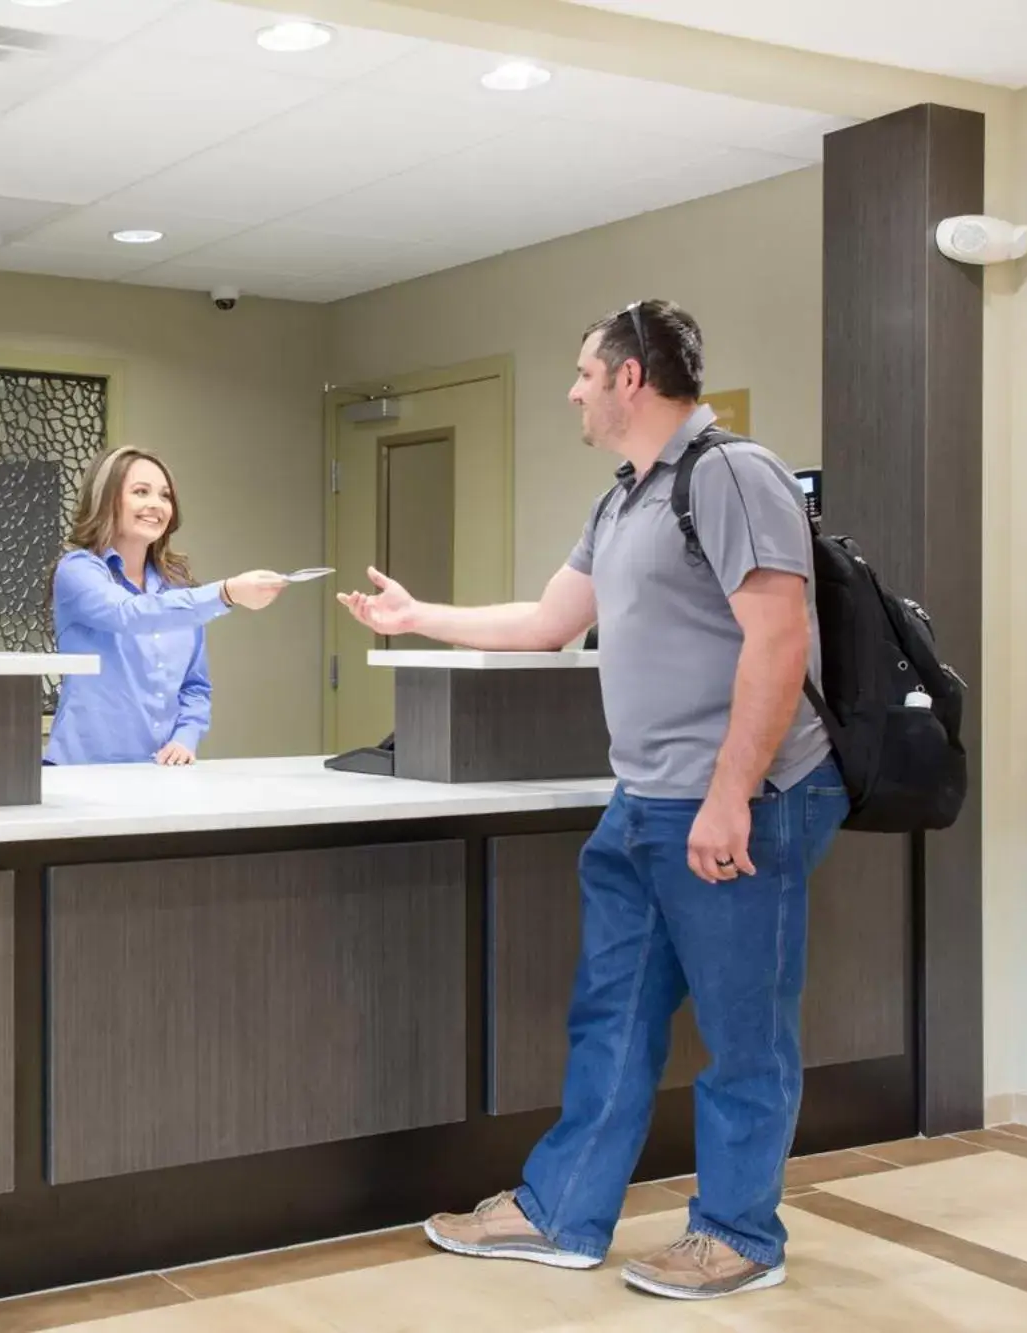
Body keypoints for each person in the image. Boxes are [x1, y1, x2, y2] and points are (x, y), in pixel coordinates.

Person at [340, 299, 845, 1301]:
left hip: (740, 802)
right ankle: (563, 1211)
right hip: (641, 804)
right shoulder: (622, 499)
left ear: (629, 377)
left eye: (581, 372)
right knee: (608, 1015)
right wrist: (413, 616)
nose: (570, 389)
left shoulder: (730, 475)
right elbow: (543, 620)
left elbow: (777, 640)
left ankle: (738, 1234)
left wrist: (728, 796)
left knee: (745, 1032)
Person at [45, 446, 287, 766]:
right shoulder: (78, 570)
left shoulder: (177, 588)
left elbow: (195, 686)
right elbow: (130, 614)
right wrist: (226, 593)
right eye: (140, 492)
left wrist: (185, 738)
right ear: (106, 500)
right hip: (84, 771)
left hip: (159, 775)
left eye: (165, 496)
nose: (156, 505)